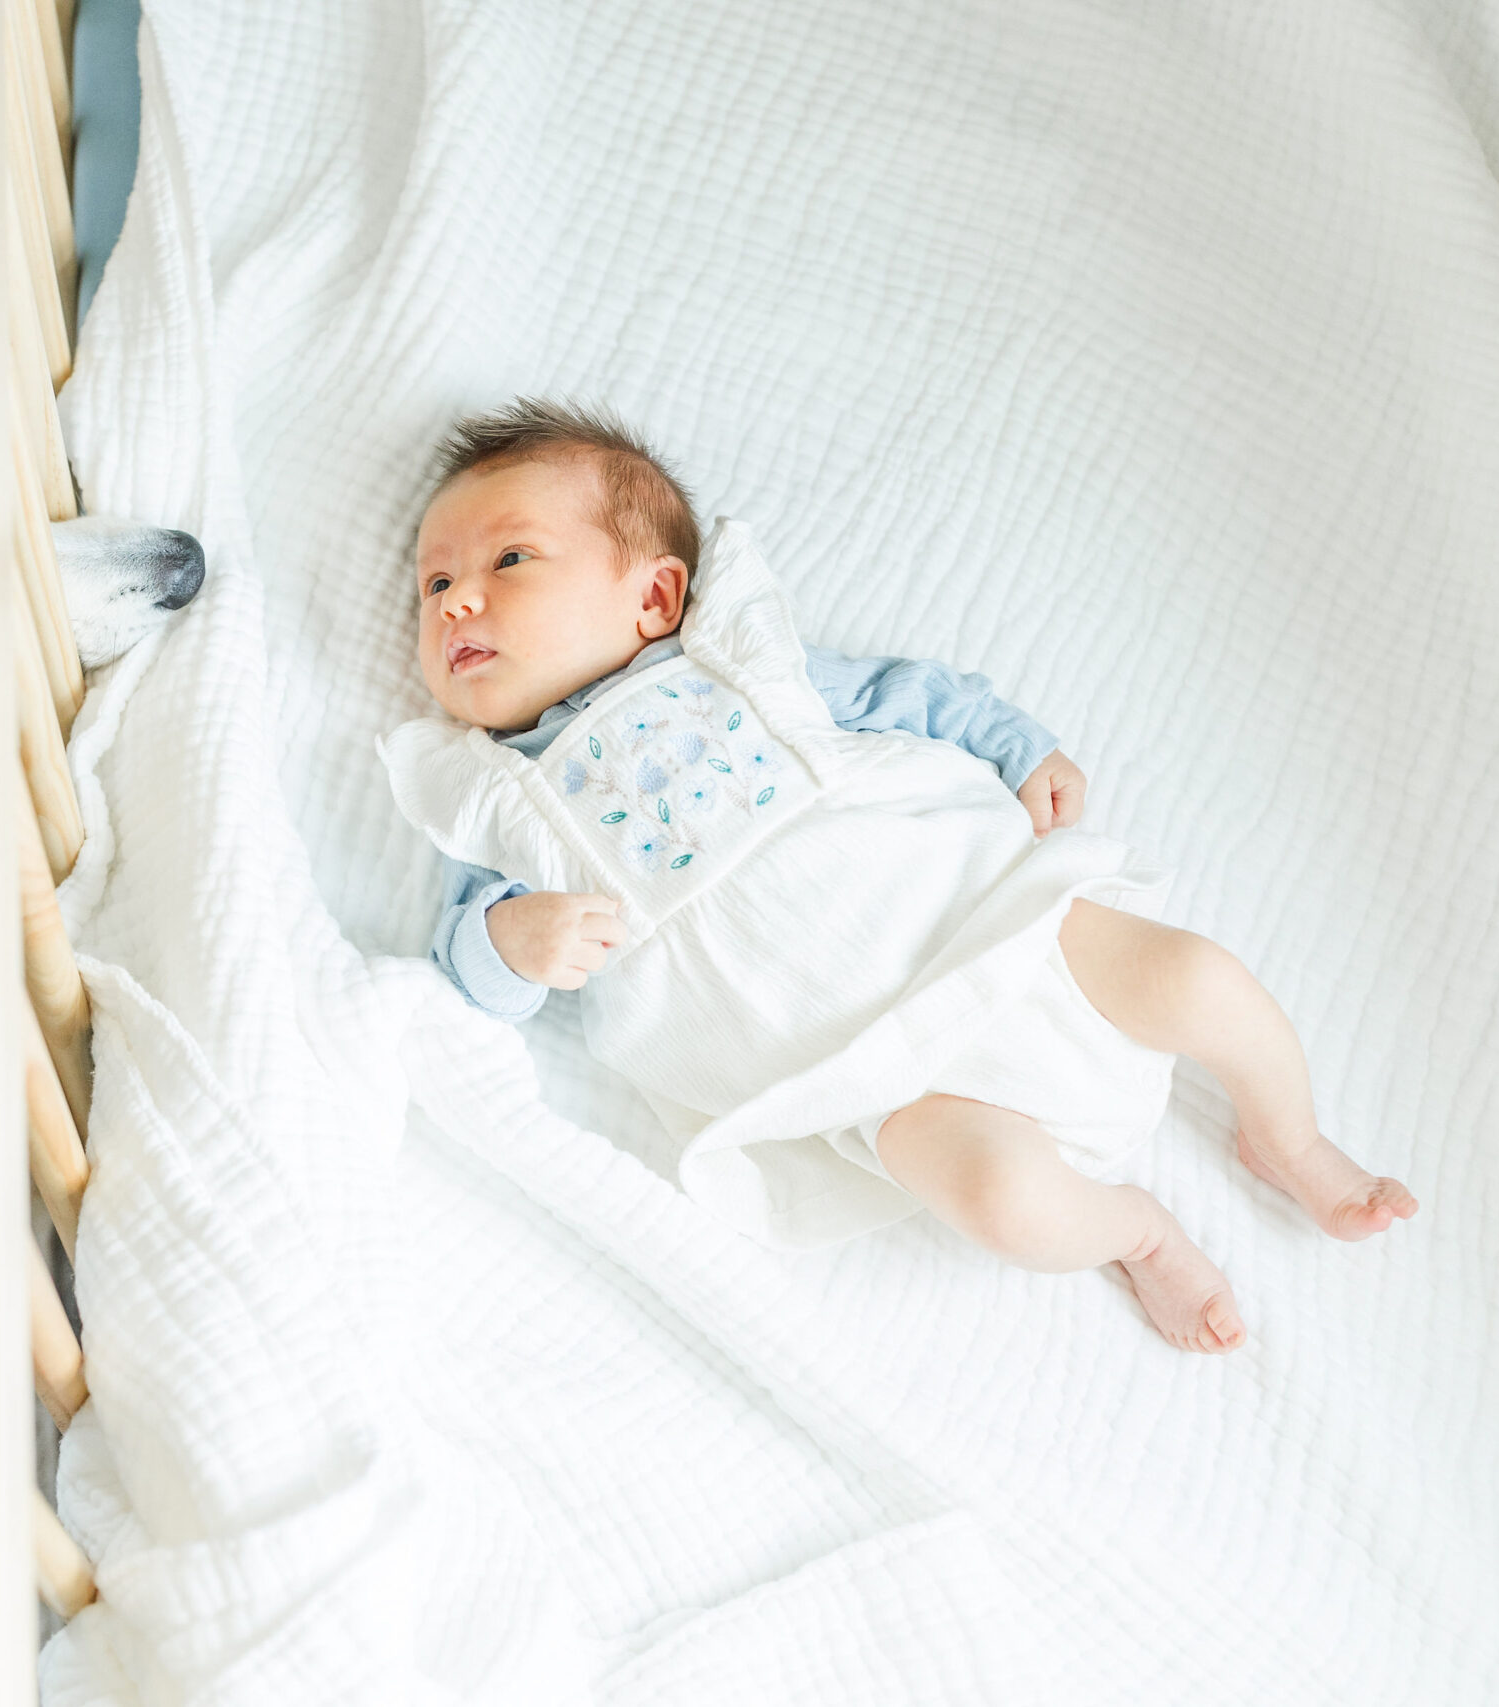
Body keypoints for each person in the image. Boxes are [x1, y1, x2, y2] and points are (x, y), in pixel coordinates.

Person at [381, 399, 1416, 1352]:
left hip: (1002, 927)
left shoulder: (741, 667)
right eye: (434, 585)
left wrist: (1020, 748)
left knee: (1200, 980)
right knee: (1002, 1202)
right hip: (879, 1076)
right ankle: (1138, 1235)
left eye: (508, 559)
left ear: (654, 596)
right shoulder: (493, 797)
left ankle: (1291, 1139)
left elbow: (906, 696)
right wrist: (516, 944)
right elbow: (462, 974)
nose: (458, 602)